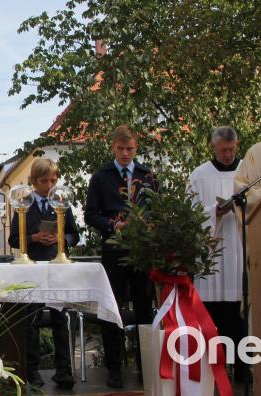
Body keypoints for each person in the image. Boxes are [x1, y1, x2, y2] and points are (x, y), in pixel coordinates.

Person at [85, 125, 157, 389]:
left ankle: (144, 365)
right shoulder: (101, 177)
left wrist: (149, 224)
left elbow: (156, 209)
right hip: (113, 251)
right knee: (111, 310)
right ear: (113, 146)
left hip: (141, 252)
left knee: (144, 310)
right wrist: (113, 226)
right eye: (121, 148)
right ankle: (114, 369)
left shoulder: (147, 175)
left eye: (130, 149)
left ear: (136, 147)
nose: (125, 153)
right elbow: (90, 214)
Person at [7, 158, 78, 389]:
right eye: (44, 180)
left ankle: (64, 370)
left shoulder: (61, 202)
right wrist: (33, 238)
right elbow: (14, 239)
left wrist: (61, 239)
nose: (50, 184)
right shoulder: (25, 203)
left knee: (60, 319)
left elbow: (74, 235)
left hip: (57, 268)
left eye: (54, 180)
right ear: (34, 181)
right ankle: (33, 370)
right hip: (33, 267)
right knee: (32, 320)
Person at [188, 126, 247, 381]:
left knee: (240, 310)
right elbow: (190, 214)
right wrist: (215, 211)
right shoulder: (199, 175)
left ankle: (244, 368)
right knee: (214, 312)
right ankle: (215, 369)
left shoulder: (247, 171)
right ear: (213, 147)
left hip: (241, 248)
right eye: (224, 150)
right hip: (212, 253)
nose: (228, 155)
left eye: (232, 149)